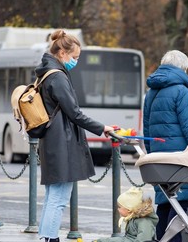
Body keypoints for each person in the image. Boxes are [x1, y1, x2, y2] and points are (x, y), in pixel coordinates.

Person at [36, 29, 115, 242]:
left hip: (52, 141)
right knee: (59, 198)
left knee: (53, 196)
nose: (75, 61)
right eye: (75, 57)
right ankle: (51, 238)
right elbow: (75, 113)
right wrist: (102, 127)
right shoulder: (58, 77)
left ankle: (46, 236)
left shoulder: (46, 73)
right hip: (62, 142)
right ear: (62, 53)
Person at [142, 50, 188, 242]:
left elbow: (147, 128)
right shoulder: (181, 91)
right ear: (183, 68)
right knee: (180, 205)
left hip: (160, 157)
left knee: (167, 203)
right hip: (180, 157)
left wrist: (152, 155)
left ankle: (161, 239)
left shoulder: (151, 92)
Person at [94, 187, 159, 242]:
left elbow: (145, 240)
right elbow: (127, 239)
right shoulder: (133, 218)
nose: (118, 209)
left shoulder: (144, 222)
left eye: (119, 207)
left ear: (129, 209)